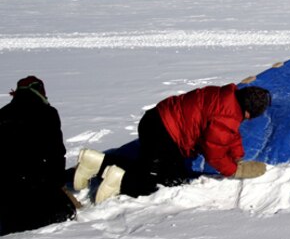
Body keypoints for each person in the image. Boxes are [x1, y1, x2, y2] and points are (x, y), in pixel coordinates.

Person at [73, 84, 271, 203]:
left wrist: (237, 154)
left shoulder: (226, 97)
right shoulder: (227, 116)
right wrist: (235, 170)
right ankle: (119, 181)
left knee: (171, 173)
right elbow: (214, 153)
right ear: (248, 112)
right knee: (158, 183)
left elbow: (229, 133)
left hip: (156, 121)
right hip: (164, 133)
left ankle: (96, 162)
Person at [1, 77, 77, 235]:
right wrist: (59, 185)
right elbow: (56, 154)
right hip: (40, 193)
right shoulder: (48, 113)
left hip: (8, 198)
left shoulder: (2, 114)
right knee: (65, 216)